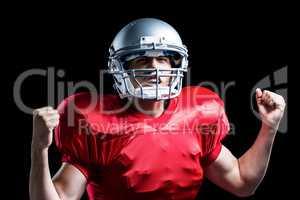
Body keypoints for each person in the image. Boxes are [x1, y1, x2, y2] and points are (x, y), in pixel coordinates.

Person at [29, 18, 286, 200]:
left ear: (176, 64)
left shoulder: (197, 114)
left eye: (163, 58)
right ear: (121, 69)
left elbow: (242, 183)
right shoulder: (94, 122)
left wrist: (269, 127)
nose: (155, 68)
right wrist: (39, 150)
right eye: (142, 60)